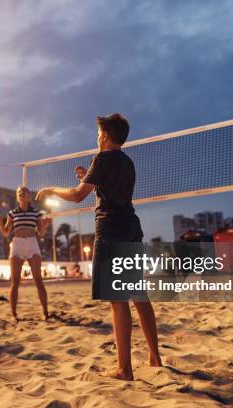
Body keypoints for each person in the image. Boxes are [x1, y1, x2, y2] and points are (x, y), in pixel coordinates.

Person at [36, 113, 162, 380]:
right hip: (130, 228)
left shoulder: (102, 159)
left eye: (97, 133)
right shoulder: (128, 163)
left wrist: (51, 189)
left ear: (104, 136)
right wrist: (89, 178)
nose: (96, 137)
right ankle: (155, 357)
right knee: (138, 294)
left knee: (118, 301)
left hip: (111, 231)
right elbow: (106, 189)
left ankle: (124, 369)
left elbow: (77, 194)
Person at [0, 186, 51, 322]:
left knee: (38, 279)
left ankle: (45, 312)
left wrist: (45, 227)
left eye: (24, 192)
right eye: (19, 192)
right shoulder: (12, 213)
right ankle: (14, 315)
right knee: (15, 282)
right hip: (17, 244)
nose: (21, 194)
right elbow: (6, 232)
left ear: (28, 196)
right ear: (17, 196)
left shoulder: (36, 213)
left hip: (32, 243)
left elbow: (41, 233)